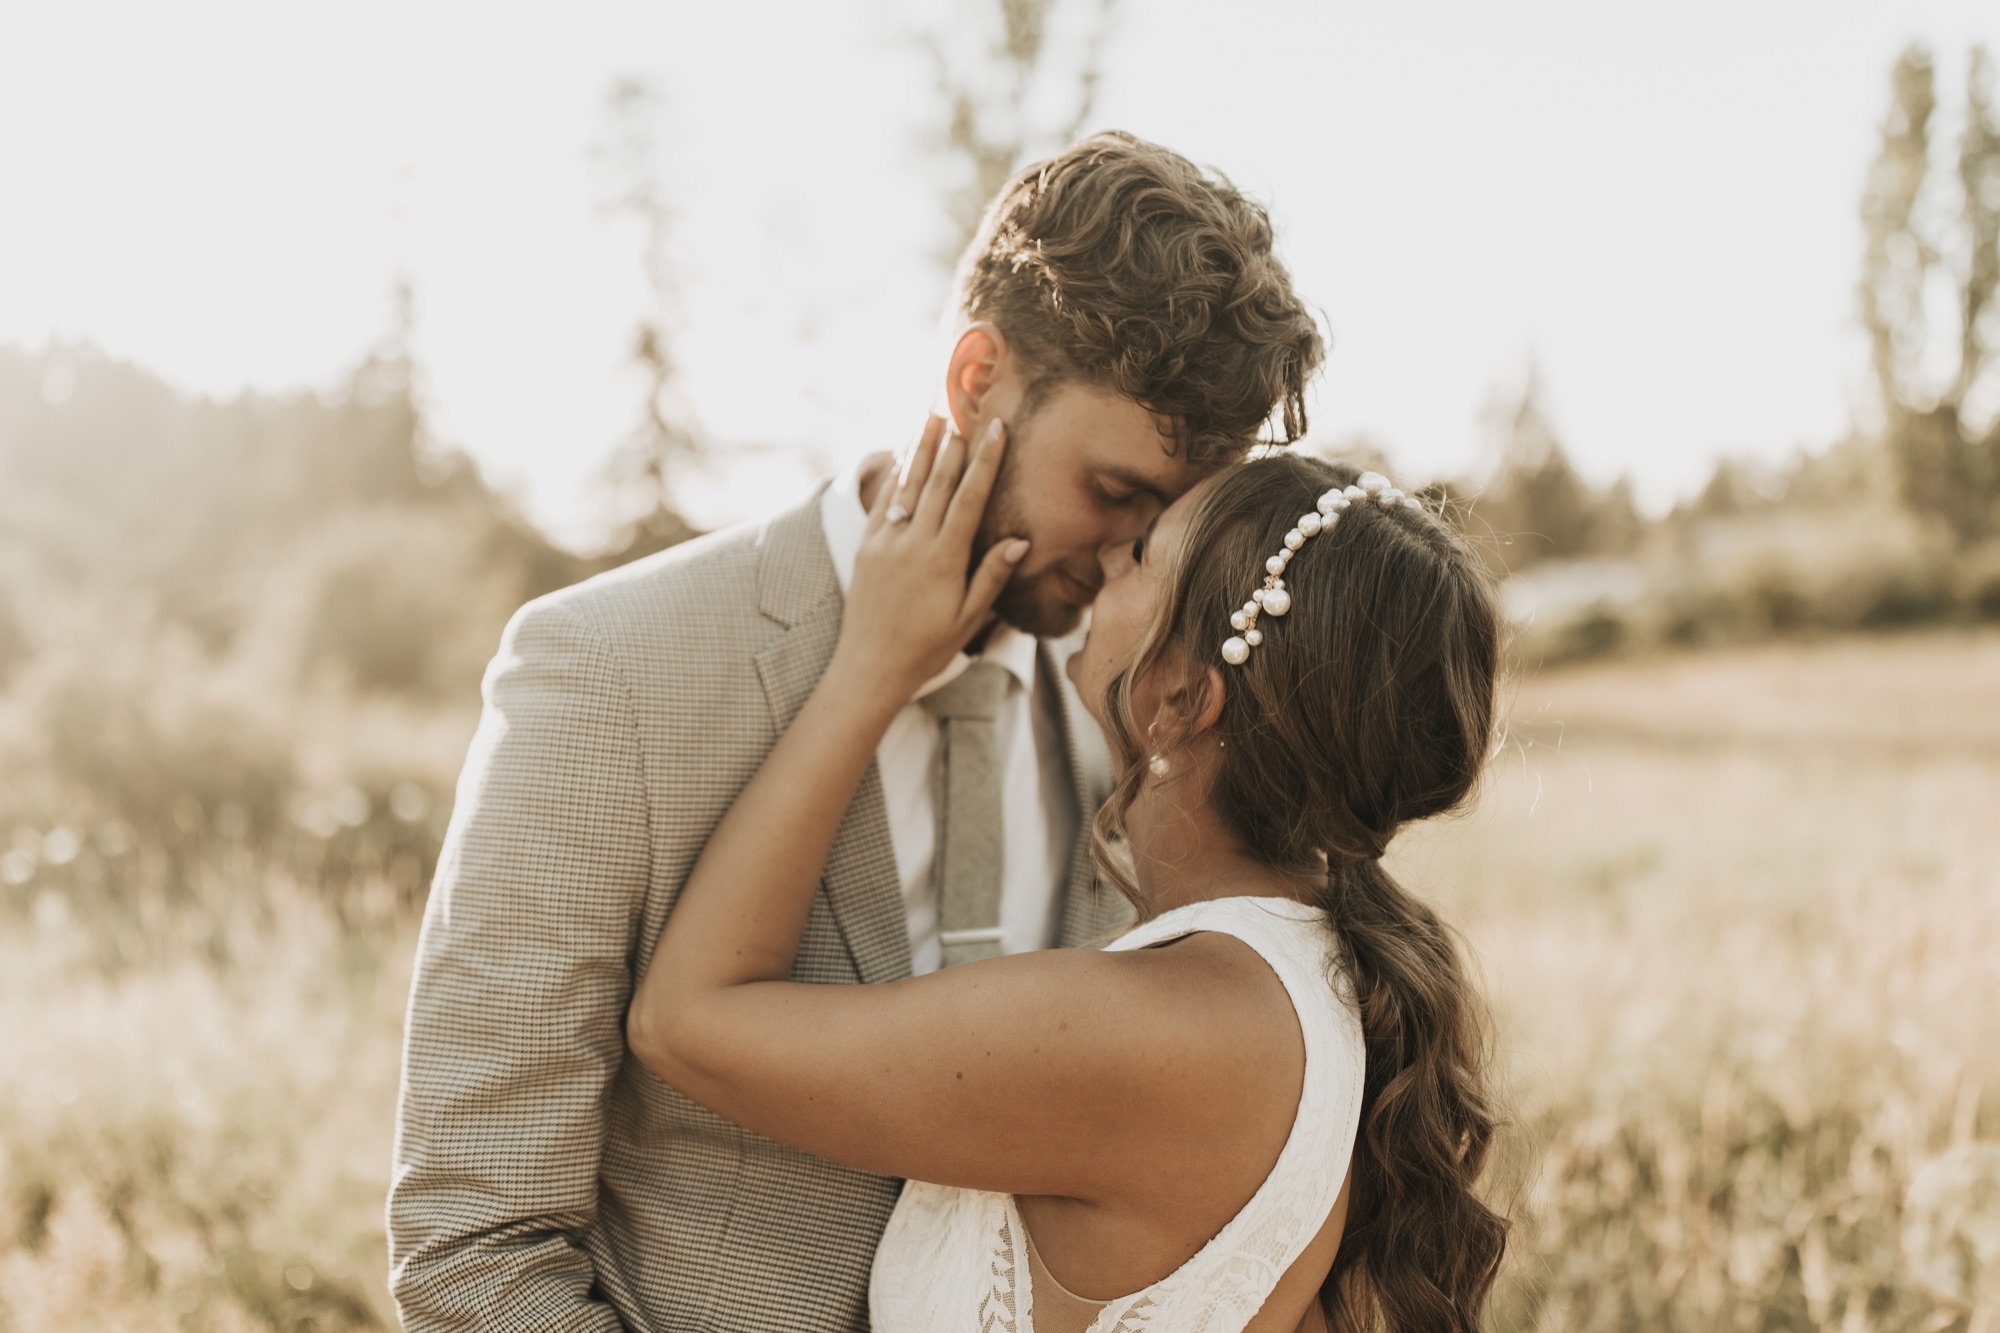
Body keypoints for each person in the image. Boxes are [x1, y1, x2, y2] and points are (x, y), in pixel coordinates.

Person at [387, 131, 1322, 1332]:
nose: (1131, 556)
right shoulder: (610, 672)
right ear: (976, 377)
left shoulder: (1146, 723)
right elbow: (475, 1247)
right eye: (1113, 492)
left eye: (1173, 515)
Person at [626, 443, 1510, 1331]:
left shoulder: (1152, 1032)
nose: (1105, 557)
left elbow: (684, 1020)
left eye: (1143, 556)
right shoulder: (1312, 984)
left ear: (1179, 697)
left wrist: (871, 666)